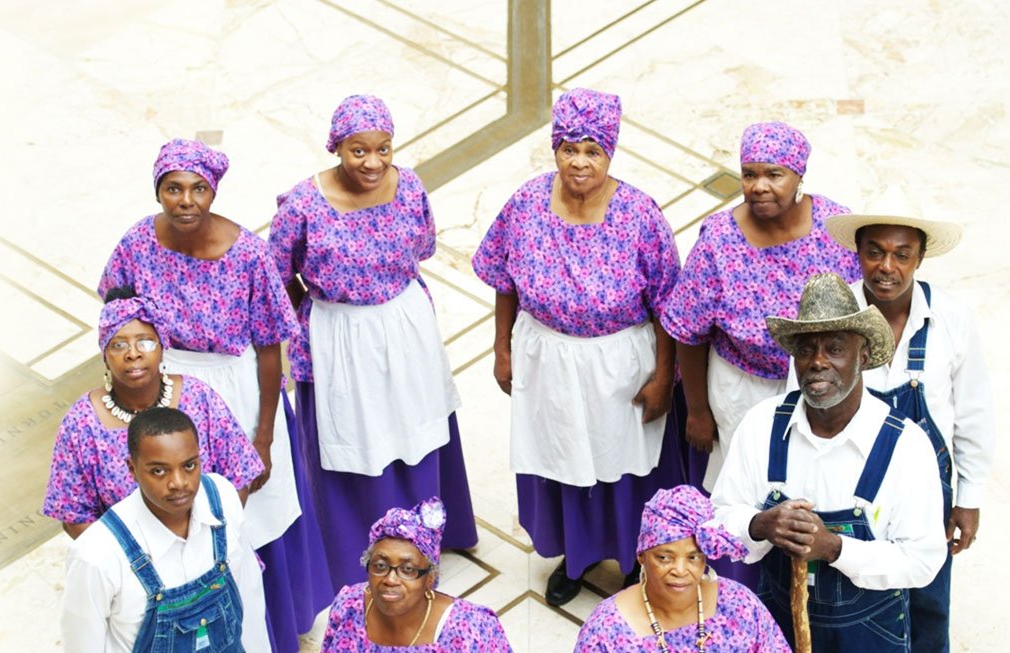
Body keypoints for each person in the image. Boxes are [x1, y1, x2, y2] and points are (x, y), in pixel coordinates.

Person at [100, 138, 332, 653]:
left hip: (237, 387)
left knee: (255, 514)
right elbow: (117, 314)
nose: (186, 200)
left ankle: (268, 627)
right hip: (167, 387)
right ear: (157, 191)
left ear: (214, 191)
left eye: (198, 189)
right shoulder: (137, 243)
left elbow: (270, 349)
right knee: (178, 505)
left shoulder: (247, 252)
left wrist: (265, 435)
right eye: (173, 188)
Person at [471, 87, 685, 607]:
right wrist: (502, 348)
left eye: (593, 150)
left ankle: (636, 558)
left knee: (626, 462)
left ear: (610, 153)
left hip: (620, 362)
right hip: (548, 358)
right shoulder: (526, 203)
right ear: (555, 150)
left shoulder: (640, 214)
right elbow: (504, 280)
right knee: (563, 457)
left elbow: (669, 306)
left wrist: (662, 377)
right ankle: (578, 553)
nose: (580, 162)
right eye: (570, 149)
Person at [267, 94, 476, 591]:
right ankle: (356, 547)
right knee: (354, 436)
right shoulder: (302, 204)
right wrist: (317, 305)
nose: (374, 162)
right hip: (339, 333)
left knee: (415, 425)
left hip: (403, 325)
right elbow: (277, 273)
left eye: (384, 148)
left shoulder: (410, 187)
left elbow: (423, 244)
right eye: (359, 150)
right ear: (336, 147)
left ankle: (428, 535)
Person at [659, 122, 863, 590]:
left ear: (799, 176)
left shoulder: (835, 228)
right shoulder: (719, 239)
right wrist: (698, 410)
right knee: (743, 486)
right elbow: (690, 331)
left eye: (774, 174)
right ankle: (741, 585)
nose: (759, 186)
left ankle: (807, 582)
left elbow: (857, 314)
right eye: (749, 174)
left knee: (812, 477)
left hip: (817, 382)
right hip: (740, 384)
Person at [711, 273, 945, 651]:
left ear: (863, 356)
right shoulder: (762, 425)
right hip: (776, 627)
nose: (818, 362)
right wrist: (759, 524)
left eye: (835, 348)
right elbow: (720, 520)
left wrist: (835, 548)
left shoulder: (904, 445)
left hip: (869, 634)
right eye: (806, 350)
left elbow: (922, 560)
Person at [821, 188, 995, 653]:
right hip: (846, 483)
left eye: (902, 254)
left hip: (927, 489)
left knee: (928, 598)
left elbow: (974, 412)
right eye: (875, 252)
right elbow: (795, 403)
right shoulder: (829, 317)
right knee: (852, 599)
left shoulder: (951, 318)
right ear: (857, 253)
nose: (887, 267)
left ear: (920, 259)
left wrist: (969, 497)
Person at [42, 289, 265, 539]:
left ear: (162, 347)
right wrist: (134, 565)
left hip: (210, 552)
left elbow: (238, 477)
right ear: (104, 355)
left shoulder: (199, 398)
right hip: (130, 569)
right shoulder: (81, 423)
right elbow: (74, 516)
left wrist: (212, 542)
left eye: (146, 341)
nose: (133, 353)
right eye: (118, 344)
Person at [62, 407, 269, 653]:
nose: (178, 483)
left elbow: (248, 589)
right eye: (159, 471)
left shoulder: (222, 500)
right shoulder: (98, 555)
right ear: (132, 469)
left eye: (189, 466)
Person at [574, 485, 790, 652]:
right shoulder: (605, 631)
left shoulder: (739, 605)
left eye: (693, 557)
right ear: (641, 556)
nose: (680, 570)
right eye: (664, 558)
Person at [319, 498, 512, 651]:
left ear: (430, 578)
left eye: (408, 569)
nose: (390, 579)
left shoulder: (473, 631)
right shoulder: (347, 606)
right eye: (380, 565)